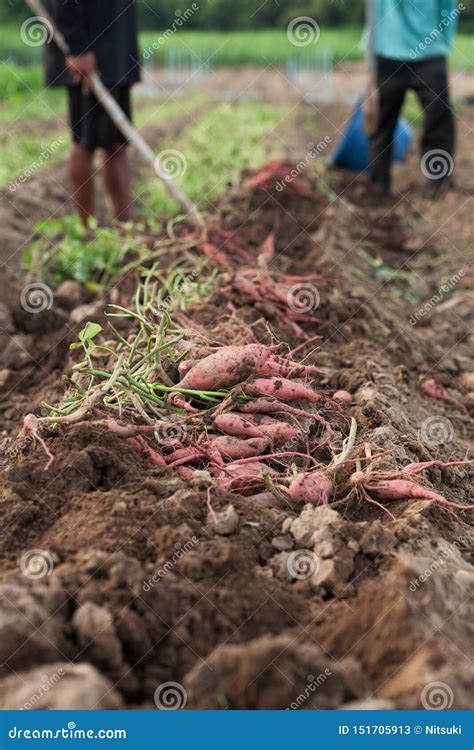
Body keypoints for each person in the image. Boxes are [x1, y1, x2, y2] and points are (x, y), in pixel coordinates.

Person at [44, 0, 140, 224]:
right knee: (85, 143)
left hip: (115, 53)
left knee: (117, 144)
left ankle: (127, 228)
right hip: (91, 53)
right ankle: (86, 232)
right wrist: (77, 47)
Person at [370, 0, 459, 198]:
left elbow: (448, 8)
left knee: (439, 121)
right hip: (388, 52)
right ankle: (378, 185)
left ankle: (440, 183)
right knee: (382, 123)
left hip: (430, 55)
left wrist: (443, 44)